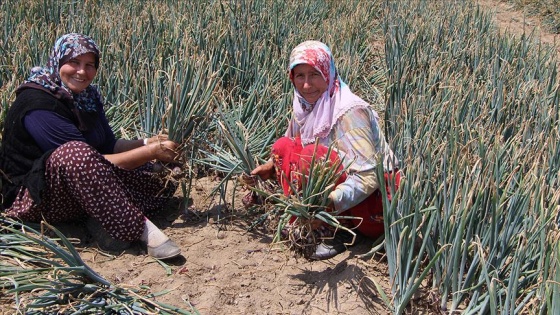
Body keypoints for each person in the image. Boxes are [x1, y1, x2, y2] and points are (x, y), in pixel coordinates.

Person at [0, 33, 182, 260]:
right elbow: (87, 163)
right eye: (74, 62)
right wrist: (150, 153)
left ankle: (95, 217)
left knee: (164, 178)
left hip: (84, 186)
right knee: (75, 154)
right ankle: (142, 230)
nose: (82, 72)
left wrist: (150, 142)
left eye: (89, 65)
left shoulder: (87, 97)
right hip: (36, 197)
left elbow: (109, 145)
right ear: (58, 61)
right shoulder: (38, 104)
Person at [251, 40, 401, 260]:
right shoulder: (304, 106)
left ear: (328, 73)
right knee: (284, 146)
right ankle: (309, 222)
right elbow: (291, 145)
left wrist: (330, 201)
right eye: (299, 76)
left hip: (372, 205)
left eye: (314, 74)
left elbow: (370, 175)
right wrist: (271, 167)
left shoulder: (350, 112)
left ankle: (338, 231)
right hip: (337, 193)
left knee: (315, 156)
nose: (306, 85)